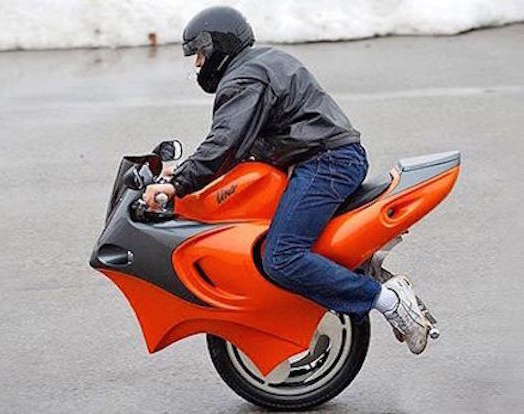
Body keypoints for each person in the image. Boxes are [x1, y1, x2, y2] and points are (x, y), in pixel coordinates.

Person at [144, 6, 429, 354]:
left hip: (326, 163)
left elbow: (226, 141)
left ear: (218, 45)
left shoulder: (244, 79)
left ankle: (388, 300)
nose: (198, 63)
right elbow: (238, 144)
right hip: (324, 159)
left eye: (201, 53)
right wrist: (185, 170)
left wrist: (178, 184)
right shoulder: (260, 63)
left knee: (282, 258)